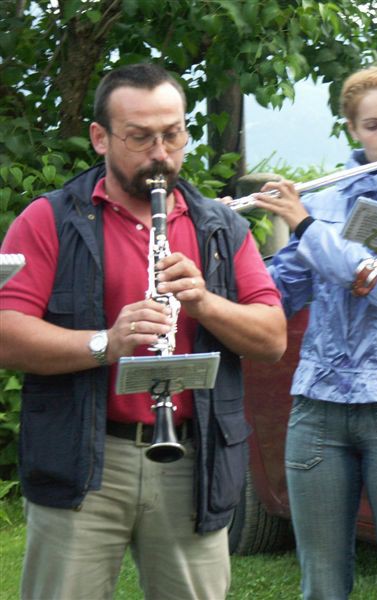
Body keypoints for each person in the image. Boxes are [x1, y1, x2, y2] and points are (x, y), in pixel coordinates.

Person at [0, 63, 287, 599]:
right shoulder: (50, 219)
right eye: (140, 137)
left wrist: (204, 303)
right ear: (100, 137)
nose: (161, 153)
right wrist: (105, 343)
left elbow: (272, 338)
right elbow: (5, 332)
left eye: (173, 134)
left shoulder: (221, 227)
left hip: (192, 462)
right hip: (83, 460)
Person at [244, 65, 377, 599]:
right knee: (320, 585)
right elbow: (284, 290)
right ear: (352, 130)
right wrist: (224, 244)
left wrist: (303, 226)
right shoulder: (324, 199)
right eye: (372, 126)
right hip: (317, 406)